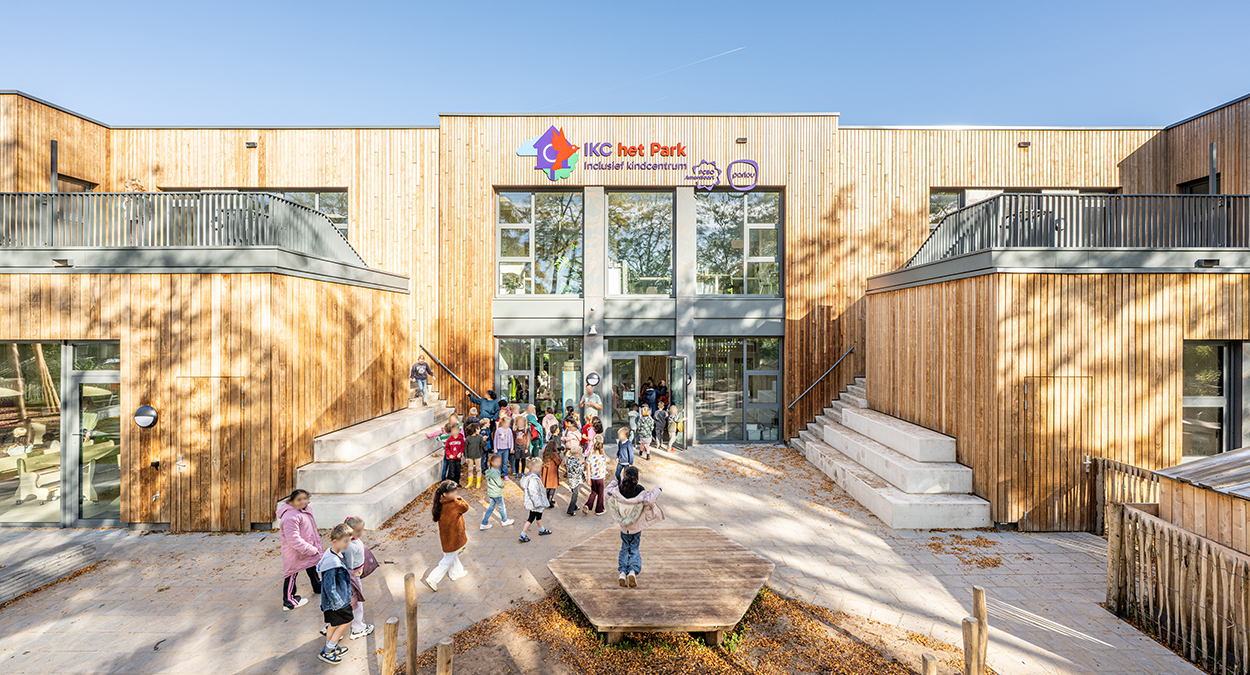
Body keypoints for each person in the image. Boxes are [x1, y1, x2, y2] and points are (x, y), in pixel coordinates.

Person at [607, 466, 665, 589]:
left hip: (624, 528)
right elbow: (650, 500)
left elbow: (607, 493)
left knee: (624, 548)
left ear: (624, 477)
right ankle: (632, 571)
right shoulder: (640, 490)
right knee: (634, 548)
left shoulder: (618, 490)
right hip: (636, 528)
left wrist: (613, 482)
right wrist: (658, 489)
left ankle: (622, 572)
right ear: (637, 478)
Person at [316, 523, 356, 664]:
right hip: (337, 602)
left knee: (333, 624)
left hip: (335, 600)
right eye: (345, 541)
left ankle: (330, 648)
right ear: (335, 541)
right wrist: (339, 603)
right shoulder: (332, 562)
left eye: (349, 540)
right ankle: (328, 651)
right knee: (347, 620)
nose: (348, 544)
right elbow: (329, 586)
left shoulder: (336, 553)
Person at [277, 489, 321, 611]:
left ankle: (317, 586)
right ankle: (289, 601)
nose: (303, 502)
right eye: (299, 500)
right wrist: (310, 549)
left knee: (311, 565)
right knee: (291, 573)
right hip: (294, 551)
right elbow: (293, 539)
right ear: (291, 501)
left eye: (305, 499)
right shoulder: (290, 517)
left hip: (306, 547)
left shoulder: (305, 510)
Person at [425, 480, 470, 592]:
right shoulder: (455, 504)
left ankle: (456, 573)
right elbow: (466, 507)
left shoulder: (441, 502)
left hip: (446, 536)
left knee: (452, 555)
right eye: (452, 492)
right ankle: (433, 578)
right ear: (445, 494)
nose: (455, 493)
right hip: (454, 536)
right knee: (447, 559)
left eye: (455, 491)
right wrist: (459, 498)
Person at [343, 516, 375, 641]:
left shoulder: (354, 540)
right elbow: (349, 566)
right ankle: (357, 628)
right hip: (353, 579)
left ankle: (333, 628)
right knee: (357, 603)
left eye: (362, 529)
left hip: (355, 576)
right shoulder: (350, 547)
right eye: (358, 530)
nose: (361, 532)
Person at [518, 457, 552, 543]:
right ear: (531, 467)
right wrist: (537, 503)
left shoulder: (535, 476)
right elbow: (533, 492)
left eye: (539, 467)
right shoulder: (532, 479)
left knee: (539, 515)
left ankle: (541, 529)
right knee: (531, 518)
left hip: (537, 501)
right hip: (534, 502)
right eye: (536, 467)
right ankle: (523, 534)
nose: (538, 469)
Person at [480, 453, 513, 530]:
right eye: (497, 462)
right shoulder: (495, 472)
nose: (499, 463)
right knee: (502, 507)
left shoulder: (489, 471)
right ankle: (504, 520)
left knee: (491, 508)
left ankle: (484, 523)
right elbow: (499, 483)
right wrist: (502, 484)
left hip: (491, 493)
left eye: (500, 462)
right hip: (497, 493)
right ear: (492, 462)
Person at [585, 436, 609, 515]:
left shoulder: (590, 457)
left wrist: (588, 478)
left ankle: (588, 505)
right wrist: (603, 453)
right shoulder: (602, 457)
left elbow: (588, 468)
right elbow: (608, 460)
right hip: (600, 478)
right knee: (600, 494)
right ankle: (599, 509)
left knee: (593, 492)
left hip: (593, 478)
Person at [564, 437, 586, 516]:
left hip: (571, 479)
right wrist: (583, 466)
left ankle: (575, 506)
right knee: (575, 495)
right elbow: (578, 471)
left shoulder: (569, 459)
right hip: (575, 480)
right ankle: (570, 510)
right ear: (576, 453)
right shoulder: (575, 460)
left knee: (574, 492)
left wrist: (580, 464)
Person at [540, 436, 563, 507]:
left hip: (546, 471)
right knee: (552, 487)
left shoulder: (545, 452)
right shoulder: (554, 453)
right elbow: (558, 462)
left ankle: (548, 499)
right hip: (552, 472)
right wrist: (560, 459)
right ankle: (549, 501)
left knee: (548, 486)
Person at [463, 421, 484, 489]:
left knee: (478, 469)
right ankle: (470, 482)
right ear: (474, 430)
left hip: (478, 455)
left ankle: (478, 482)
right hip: (470, 456)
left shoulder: (480, 437)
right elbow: (465, 448)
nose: (479, 430)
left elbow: (482, 445)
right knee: (470, 469)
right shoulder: (468, 439)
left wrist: (484, 441)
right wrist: (466, 457)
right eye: (478, 429)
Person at [494, 416, 514, 480]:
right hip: (499, 449)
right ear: (503, 423)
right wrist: (495, 449)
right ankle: (498, 473)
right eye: (507, 423)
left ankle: (505, 474)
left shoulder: (509, 430)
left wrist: (511, 448)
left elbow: (511, 439)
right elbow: (495, 440)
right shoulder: (498, 430)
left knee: (505, 462)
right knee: (498, 462)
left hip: (506, 449)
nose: (508, 424)